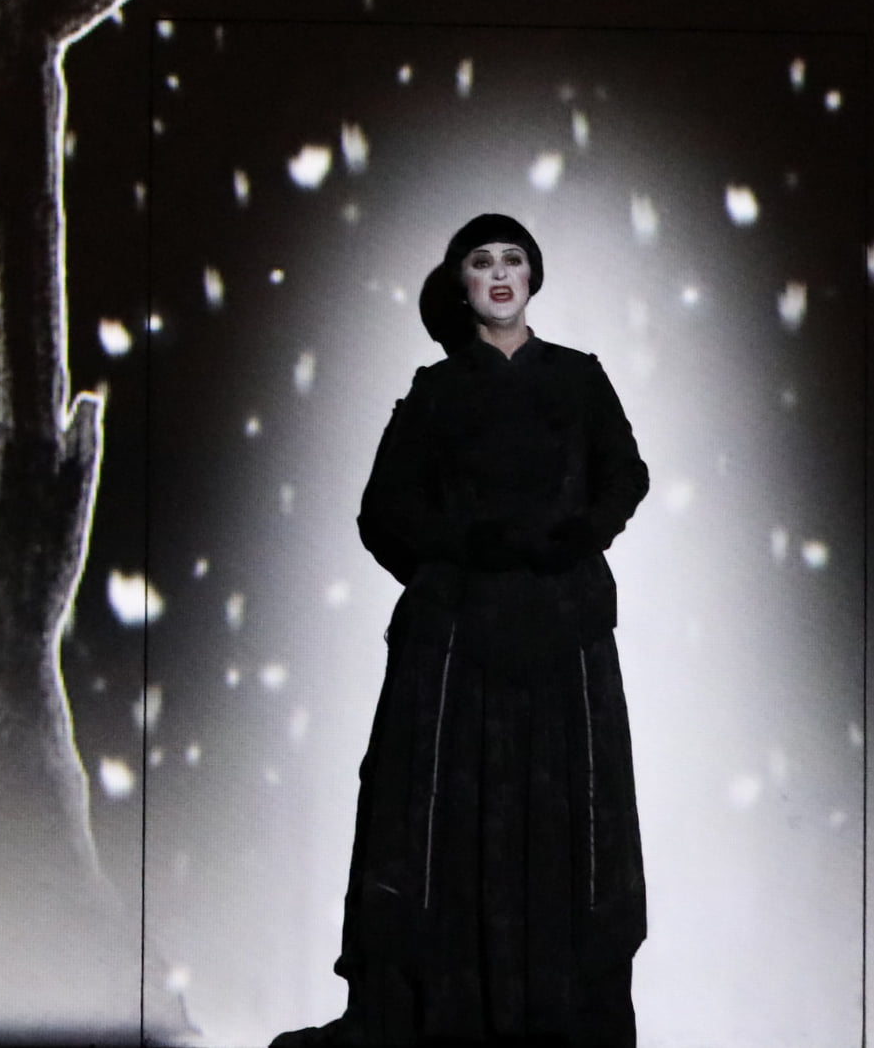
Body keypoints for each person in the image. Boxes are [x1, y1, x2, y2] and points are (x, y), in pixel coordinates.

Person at [273, 214, 649, 1048]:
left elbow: (627, 474)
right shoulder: (435, 392)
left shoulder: (579, 377)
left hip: (562, 635)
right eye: (483, 262)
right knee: (447, 822)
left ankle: (559, 1019)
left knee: (568, 821)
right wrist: (462, 554)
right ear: (463, 283)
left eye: (514, 259)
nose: (500, 273)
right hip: (461, 645)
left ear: (534, 276)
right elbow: (383, 511)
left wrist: (574, 537)